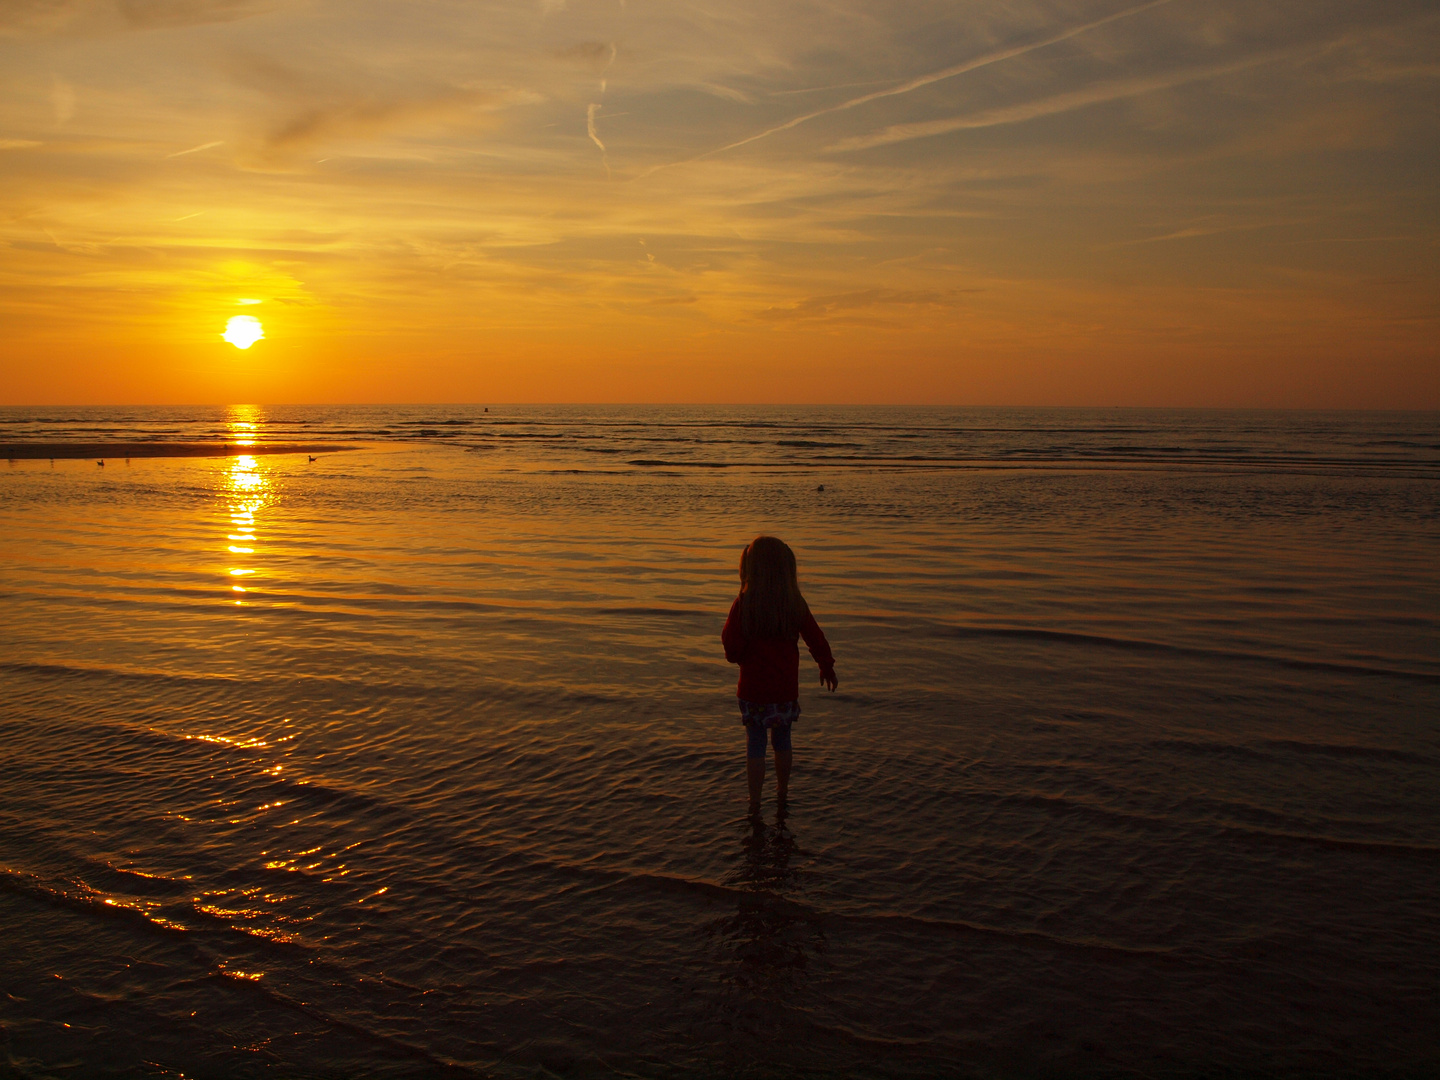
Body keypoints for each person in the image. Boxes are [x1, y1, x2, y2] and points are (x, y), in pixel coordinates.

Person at [721, 535, 837, 817]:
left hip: (753, 691)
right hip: (785, 691)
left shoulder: (744, 604)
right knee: (783, 741)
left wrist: (742, 654)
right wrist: (826, 665)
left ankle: (755, 801)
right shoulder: (794, 602)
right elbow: (815, 637)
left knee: (756, 744)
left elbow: (730, 646)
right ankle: (782, 793)